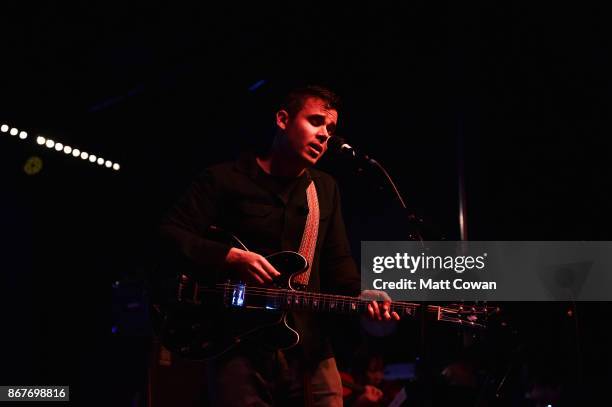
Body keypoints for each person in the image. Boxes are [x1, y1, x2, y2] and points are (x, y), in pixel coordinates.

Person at [158, 84, 399, 406]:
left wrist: (363, 298)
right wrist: (229, 257)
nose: (325, 135)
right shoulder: (223, 179)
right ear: (283, 120)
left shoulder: (324, 189)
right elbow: (168, 235)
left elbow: (337, 262)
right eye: (315, 121)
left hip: (310, 348)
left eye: (330, 128)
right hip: (238, 347)